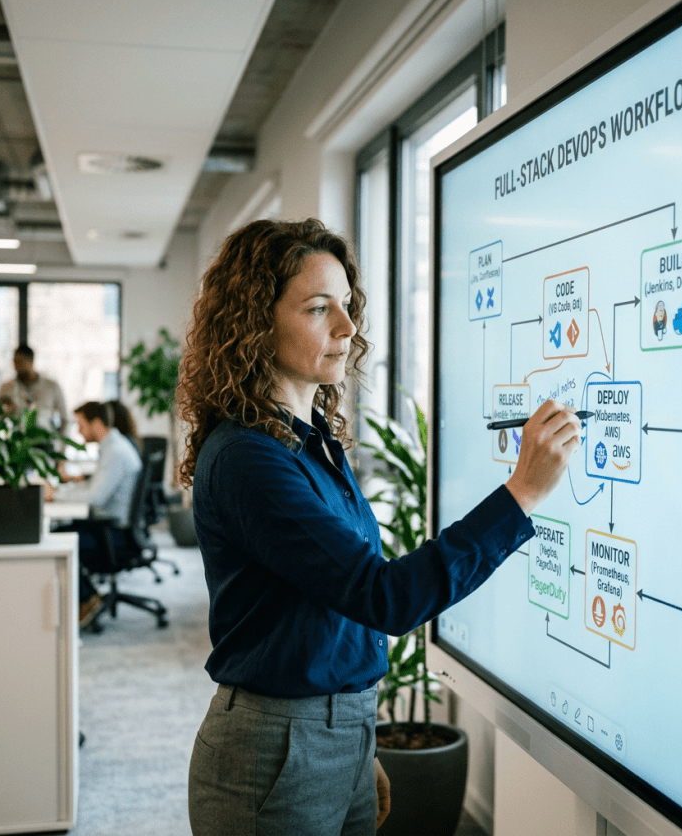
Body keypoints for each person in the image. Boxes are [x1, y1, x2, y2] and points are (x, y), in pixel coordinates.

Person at [178, 218, 581, 836]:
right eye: (319, 309)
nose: (347, 328)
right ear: (256, 325)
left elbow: (333, 606)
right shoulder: (248, 458)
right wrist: (521, 493)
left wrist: (355, 742)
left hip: (334, 734)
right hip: (276, 748)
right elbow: (383, 596)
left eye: (347, 306)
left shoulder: (309, 445)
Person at [46, 401, 142, 627]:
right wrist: (64, 490)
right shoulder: (112, 447)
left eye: (81, 425)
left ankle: (88, 599)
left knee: (56, 539)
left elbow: (96, 497)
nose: (78, 432)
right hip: (111, 527)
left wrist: (55, 495)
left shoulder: (115, 451)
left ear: (96, 423)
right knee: (60, 532)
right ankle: (86, 597)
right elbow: (94, 490)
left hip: (113, 534)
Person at [0, 344, 68, 434]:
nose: (16, 367)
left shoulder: (51, 386)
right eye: (15, 362)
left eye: (20, 362)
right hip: (16, 441)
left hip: (44, 441)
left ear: (31, 361)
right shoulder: (7, 388)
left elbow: (65, 419)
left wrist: (60, 446)